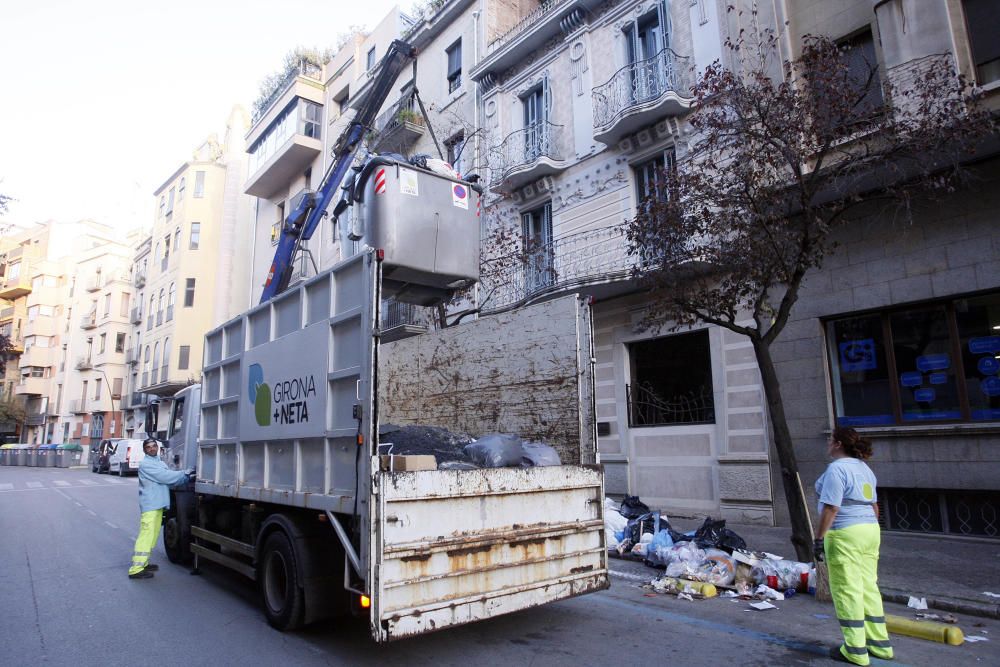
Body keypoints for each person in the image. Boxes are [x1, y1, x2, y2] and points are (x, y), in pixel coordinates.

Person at [814, 427, 893, 665]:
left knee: (847, 589)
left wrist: (819, 538)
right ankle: (880, 644)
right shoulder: (865, 470)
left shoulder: (837, 469)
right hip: (870, 531)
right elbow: (874, 506)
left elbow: (831, 508)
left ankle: (855, 649)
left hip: (845, 533)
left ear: (838, 444)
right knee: (869, 586)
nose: (828, 444)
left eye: (830, 440)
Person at [128, 437, 192, 579]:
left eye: (153, 446)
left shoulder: (159, 462)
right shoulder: (146, 464)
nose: (151, 448)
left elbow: (168, 478)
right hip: (150, 505)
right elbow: (165, 477)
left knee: (153, 535)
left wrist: (183, 477)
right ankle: (136, 568)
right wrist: (185, 474)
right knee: (146, 535)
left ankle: (143, 563)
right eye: (148, 447)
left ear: (157, 447)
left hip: (157, 505)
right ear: (144, 450)